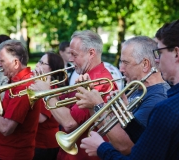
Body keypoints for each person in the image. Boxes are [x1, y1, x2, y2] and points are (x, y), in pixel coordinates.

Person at [80, 18, 179, 160]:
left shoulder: (167, 109)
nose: (157, 60)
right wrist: (125, 113)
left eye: (159, 53)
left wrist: (101, 148)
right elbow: (150, 141)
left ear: (176, 54)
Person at [29, 30, 117, 160]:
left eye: (74, 54)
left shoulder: (98, 81)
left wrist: (46, 93)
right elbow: (64, 103)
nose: (70, 59)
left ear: (91, 53)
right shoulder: (88, 76)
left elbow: (69, 123)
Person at [76, 36, 170, 154]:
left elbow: (127, 146)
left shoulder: (157, 97)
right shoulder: (136, 88)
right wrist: (92, 104)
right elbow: (108, 129)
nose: (120, 69)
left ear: (145, 64)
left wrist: (98, 105)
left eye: (126, 62)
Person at [0, 39, 43, 160]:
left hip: (14, 155)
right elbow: (1, 114)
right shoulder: (13, 82)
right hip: (6, 151)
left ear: (16, 63)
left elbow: (6, 129)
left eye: (2, 61)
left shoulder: (24, 87)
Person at [33, 52, 66, 160]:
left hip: (45, 145)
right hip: (38, 142)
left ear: (52, 69)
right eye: (39, 61)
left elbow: (41, 118)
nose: (38, 65)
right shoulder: (42, 86)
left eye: (42, 63)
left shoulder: (52, 89)